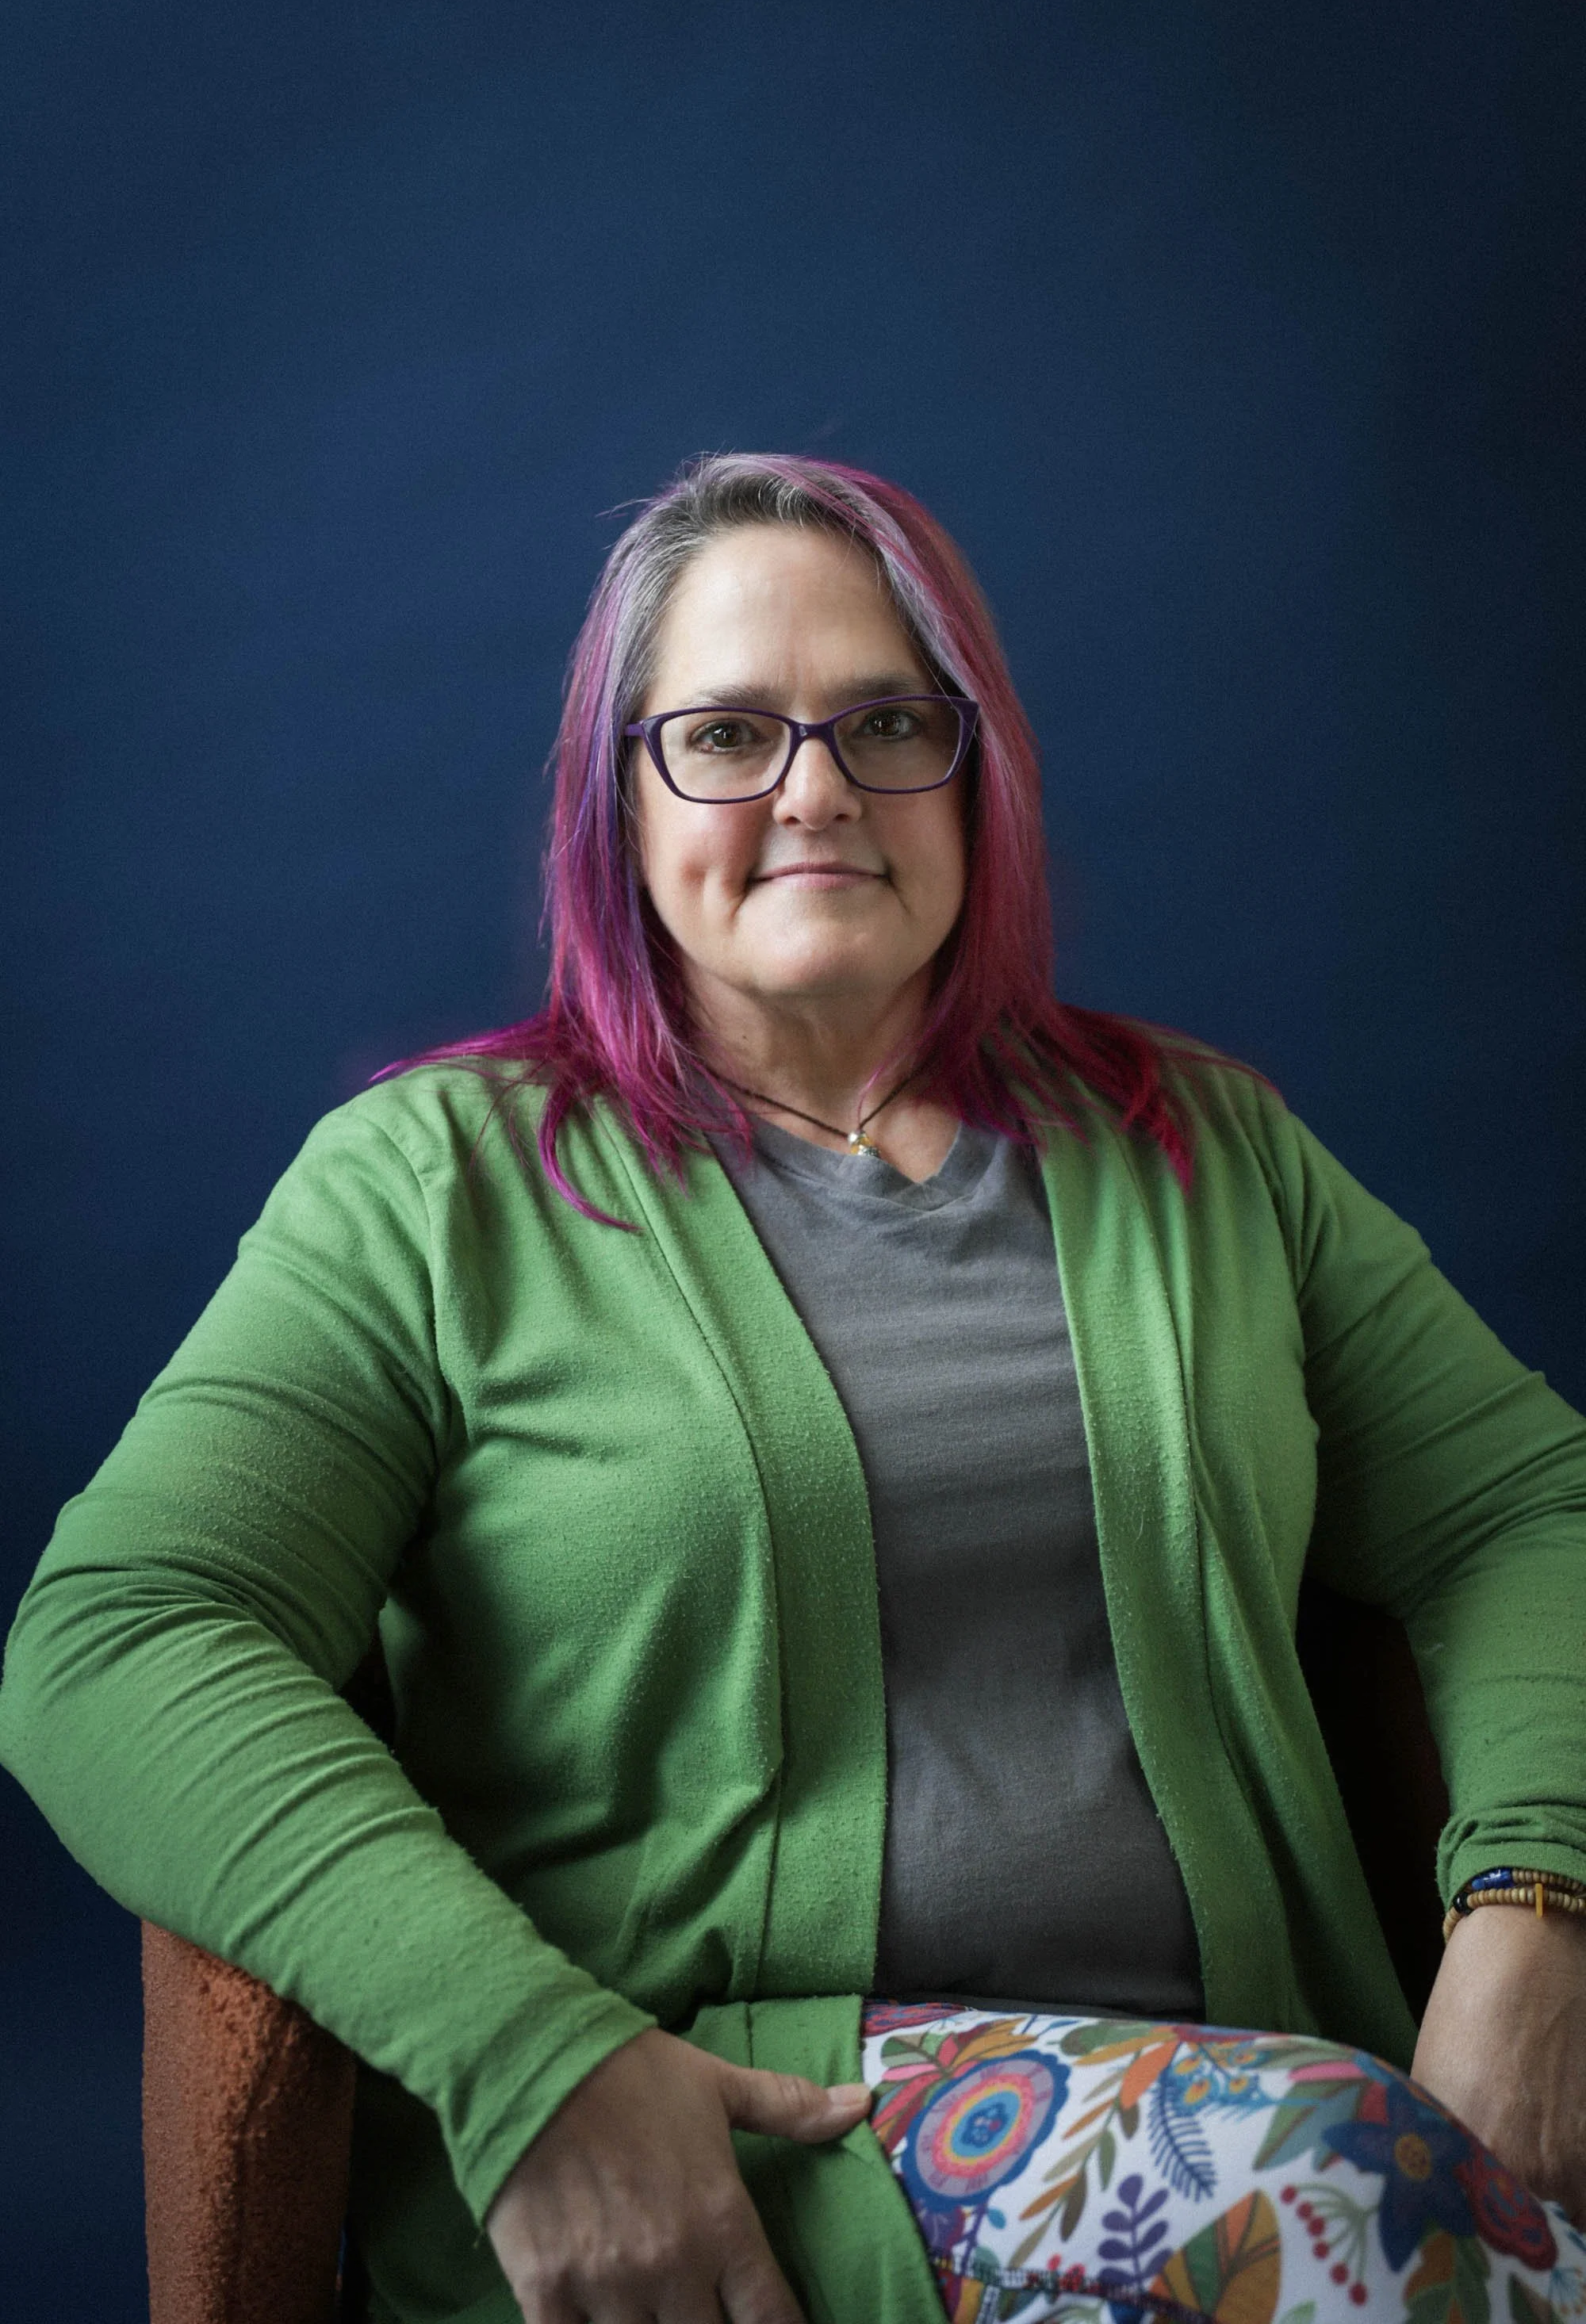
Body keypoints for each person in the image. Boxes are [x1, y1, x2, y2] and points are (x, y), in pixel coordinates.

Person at [3, 452, 1585, 2324]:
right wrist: (528, 2055)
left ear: (974, 776)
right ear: (620, 796)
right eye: (729, 733)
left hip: (1273, 2091)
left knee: (1355, 2176)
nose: (817, 787)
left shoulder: (1202, 1149)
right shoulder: (430, 1185)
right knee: (1351, 2190)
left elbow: (1517, 1505)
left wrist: (1533, 1913)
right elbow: (117, 1630)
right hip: (755, 2149)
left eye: (888, 723)